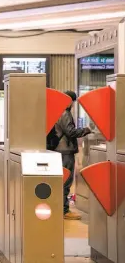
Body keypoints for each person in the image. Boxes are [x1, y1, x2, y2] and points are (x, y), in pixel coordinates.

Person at [54, 90, 91, 220]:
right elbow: (71, 132)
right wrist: (87, 130)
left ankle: (59, 208)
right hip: (65, 151)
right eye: (73, 102)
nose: (73, 104)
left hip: (58, 150)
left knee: (61, 180)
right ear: (69, 101)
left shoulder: (56, 110)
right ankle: (64, 211)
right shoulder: (65, 113)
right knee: (66, 181)